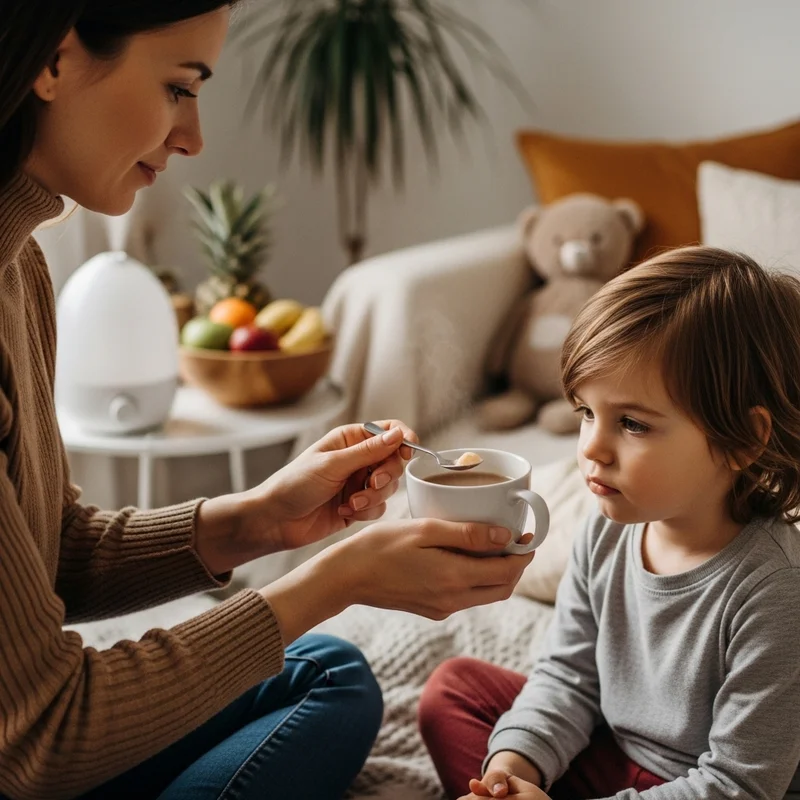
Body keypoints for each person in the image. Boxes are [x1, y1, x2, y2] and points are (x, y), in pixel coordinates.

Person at [0, 3, 535, 799]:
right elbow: (39, 737)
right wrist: (337, 579)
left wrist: (263, 520)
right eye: (179, 88)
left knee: (330, 673)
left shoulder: (19, 266)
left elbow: (53, 554)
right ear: (54, 60)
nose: (194, 138)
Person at [418, 246, 800, 800]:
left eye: (632, 424)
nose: (592, 448)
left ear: (743, 440)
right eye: (586, 413)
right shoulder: (604, 530)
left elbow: (739, 784)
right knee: (453, 691)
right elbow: (567, 677)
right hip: (616, 755)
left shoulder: (776, 590)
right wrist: (511, 770)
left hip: (707, 787)